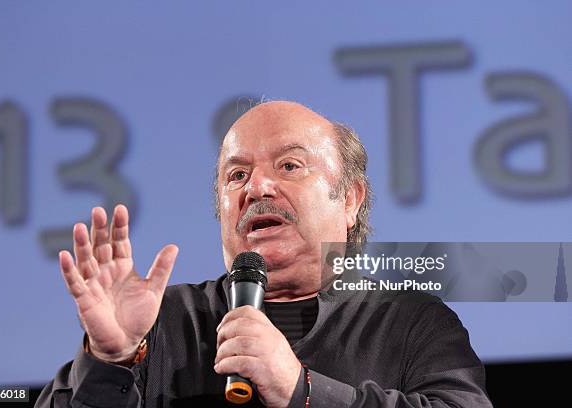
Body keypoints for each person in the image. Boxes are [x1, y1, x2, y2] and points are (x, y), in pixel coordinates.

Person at [36, 101, 492, 407]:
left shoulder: (414, 325)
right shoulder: (161, 321)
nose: (256, 188)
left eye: (290, 166)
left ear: (350, 199)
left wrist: (301, 390)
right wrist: (108, 360)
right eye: (236, 175)